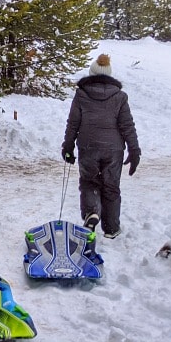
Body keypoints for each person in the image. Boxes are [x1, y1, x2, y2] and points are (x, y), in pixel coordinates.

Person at [62, 53, 140, 239]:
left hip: (88, 146)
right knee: (111, 186)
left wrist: (68, 146)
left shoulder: (81, 94)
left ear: (91, 73)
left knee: (89, 182)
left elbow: (73, 123)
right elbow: (126, 124)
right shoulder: (120, 96)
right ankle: (111, 228)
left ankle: (91, 212)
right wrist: (134, 149)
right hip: (114, 149)